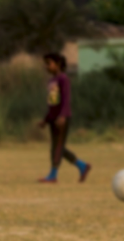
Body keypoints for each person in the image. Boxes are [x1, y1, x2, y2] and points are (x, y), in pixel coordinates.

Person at [38, 53, 91, 183]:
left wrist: (62, 116)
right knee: (59, 147)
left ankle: (53, 175)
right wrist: (45, 119)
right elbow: (52, 103)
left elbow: (66, 99)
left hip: (62, 118)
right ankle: (82, 166)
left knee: (57, 147)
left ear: (58, 64)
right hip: (53, 119)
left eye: (49, 63)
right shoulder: (52, 81)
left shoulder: (63, 79)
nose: (46, 66)